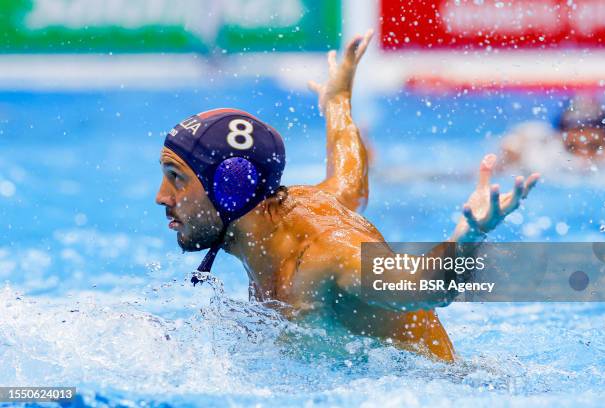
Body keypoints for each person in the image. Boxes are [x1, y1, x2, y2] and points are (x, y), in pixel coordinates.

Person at [155, 30, 539, 362]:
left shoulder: (330, 256)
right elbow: (350, 180)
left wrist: (466, 239)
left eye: (177, 177)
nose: (162, 196)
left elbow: (426, 288)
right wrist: (338, 103)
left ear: (232, 186)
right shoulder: (288, 212)